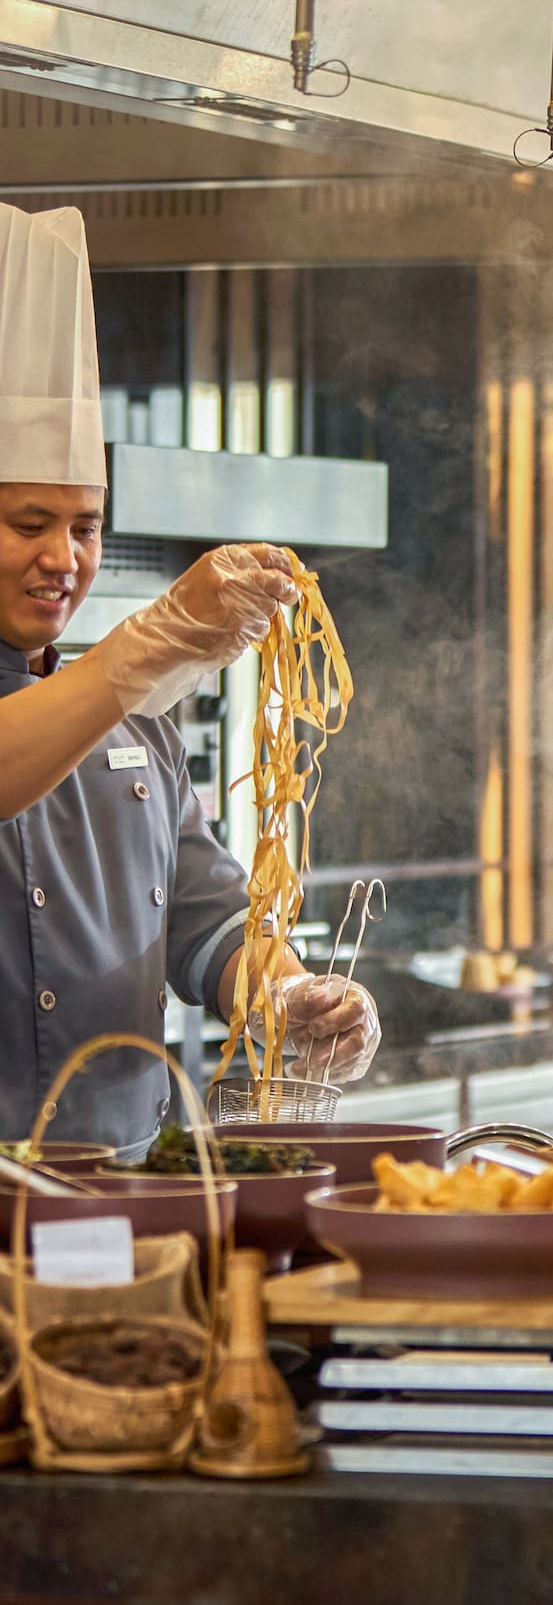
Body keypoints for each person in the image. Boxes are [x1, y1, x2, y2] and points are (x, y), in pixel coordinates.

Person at [0, 200, 381, 1154]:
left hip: (131, 1188)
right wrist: (149, 645)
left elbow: (207, 924)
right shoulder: (122, 688)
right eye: (27, 524)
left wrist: (288, 994)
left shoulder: (138, 725)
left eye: (85, 527)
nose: (64, 558)